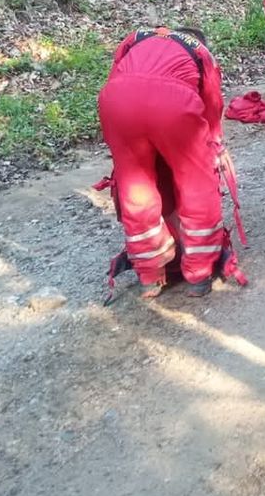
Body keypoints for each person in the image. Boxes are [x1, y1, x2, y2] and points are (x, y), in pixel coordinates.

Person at [98, 26, 240, 299]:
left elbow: (117, 75)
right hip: (173, 103)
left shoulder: (136, 38)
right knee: (196, 183)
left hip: (116, 102)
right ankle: (199, 273)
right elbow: (212, 107)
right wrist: (214, 145)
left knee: (135, 186)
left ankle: (149, 275)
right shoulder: (200, 52)